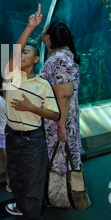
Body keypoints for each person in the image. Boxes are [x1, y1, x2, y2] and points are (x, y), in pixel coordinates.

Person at [5, 4, 60, 220]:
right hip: (12, 136)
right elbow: (14, 53)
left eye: (28, 52)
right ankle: (21, 206)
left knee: (32, 183)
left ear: (36, 59)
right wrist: (30, 27)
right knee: (16, 177)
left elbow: (55, 115)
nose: (22, 55)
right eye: (22, 52)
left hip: (31, 140)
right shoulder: (11, 76)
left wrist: (31, 108)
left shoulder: (43, 85)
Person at [40, 19, 84, 173]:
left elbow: (64, 95)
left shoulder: (57, 60)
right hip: (67, 120)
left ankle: (66, 196)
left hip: (60, 122)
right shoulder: (67, 55)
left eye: (45, 33)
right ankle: (72, 193)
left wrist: (60, 126)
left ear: (48, 38)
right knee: (69, 161)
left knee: (61, 163)